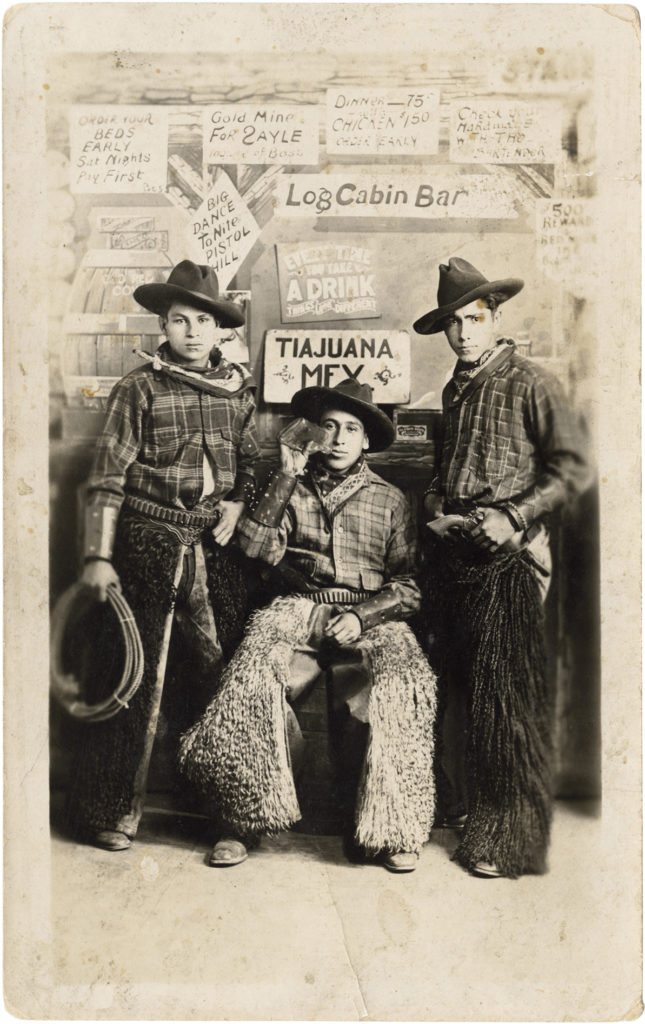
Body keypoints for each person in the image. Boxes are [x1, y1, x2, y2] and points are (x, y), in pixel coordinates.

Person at [179, 379, 437, 872]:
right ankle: (242, 821)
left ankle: (392, 827)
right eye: (331, 427)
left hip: (369, 615)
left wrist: (362, 615)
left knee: (404, 685)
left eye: (352, 429)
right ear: (317, 435)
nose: (339, 438)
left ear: (367, 441)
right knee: (251, 678)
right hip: (299, 606)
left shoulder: (390, 500)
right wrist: (285, 477)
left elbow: (408, 586)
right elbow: (253, 547)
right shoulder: (291, 487)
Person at [67, 260, 260, 851]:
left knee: (221, 673)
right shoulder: (138, 388)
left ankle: (230, 819)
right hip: (147, 537)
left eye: (204, 321)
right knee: (132, 672)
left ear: (221, 330)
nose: (193, 332)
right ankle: (112, 811)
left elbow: (249, 466)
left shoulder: (236, 395)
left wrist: (236, 505)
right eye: (180, 321)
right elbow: (107, 479)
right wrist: (98, 557)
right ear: (164, 325)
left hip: (213, 545)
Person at [413, 257, 590, 879]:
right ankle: (464, 810)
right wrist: (435, 501)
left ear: (497, 318)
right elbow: (446, 467)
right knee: (457, 684)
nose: (463, 332)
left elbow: (572, 469)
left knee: (504, 694)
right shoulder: (455, 387)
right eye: (454, 323)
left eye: (475, 319)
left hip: (511, 559)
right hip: (456, 550)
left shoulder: (532, 383)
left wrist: (513, 517)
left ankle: (506, 836)